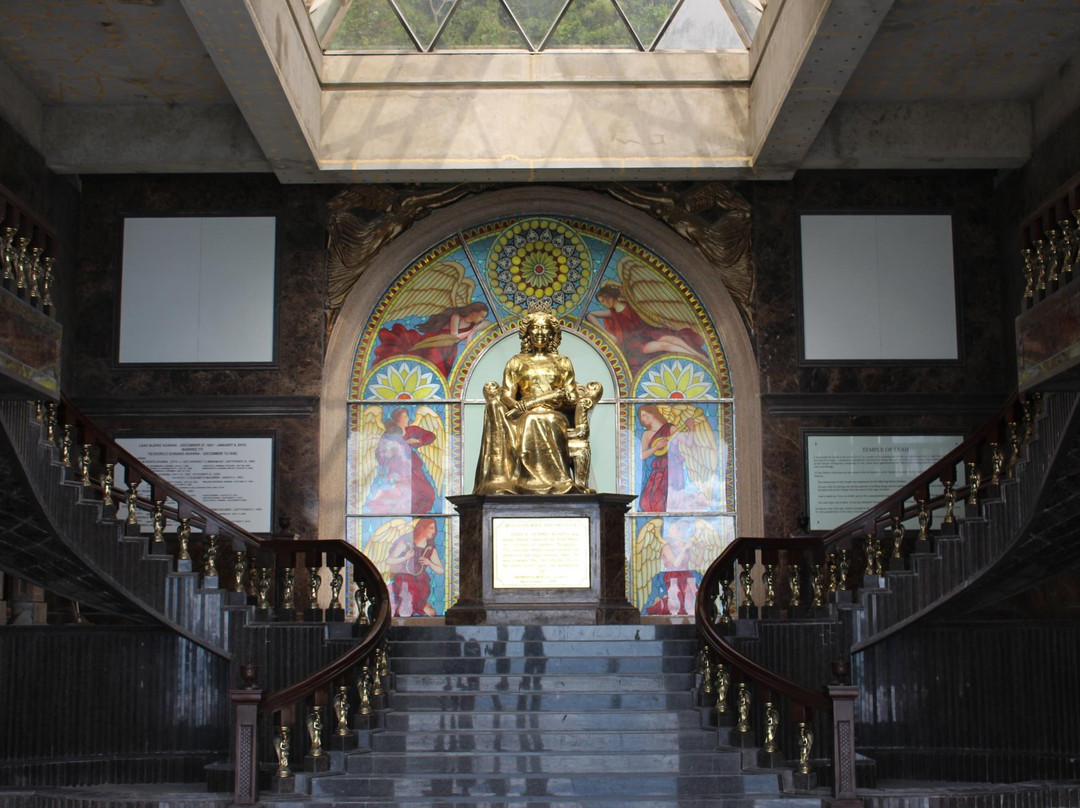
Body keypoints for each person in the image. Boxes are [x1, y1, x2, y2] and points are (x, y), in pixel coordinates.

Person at [473, 308, 587, 495]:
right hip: (523, 414)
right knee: (530, 419)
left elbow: (572, 397)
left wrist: (561, 396)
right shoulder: (516, 362)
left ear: (552, 334)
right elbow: (506, 394)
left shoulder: (563, 362)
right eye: (535, 328)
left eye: (544, 329)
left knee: (544, 419)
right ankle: (528, 481)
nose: (540, 333)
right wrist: (516, 404)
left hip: (554, 414)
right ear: (527, 333)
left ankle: (558, 481)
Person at [586, 281, 708, 371]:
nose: (603, 304)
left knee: (669, 338)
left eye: (603, 300)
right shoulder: (612, 313)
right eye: (601, 302)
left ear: (609, 296)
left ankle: (697, 354)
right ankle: (695, 359)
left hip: (648, 332)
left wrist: (609, 284)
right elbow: (590, 315)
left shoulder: (629, 301)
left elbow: (624, 287)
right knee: (665, 344)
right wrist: (607, 334)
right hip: (636, 344)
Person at [374, 302, 490, 378]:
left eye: (483, 317)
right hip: (436, 344)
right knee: (429, 364)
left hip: (449, 352)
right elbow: (454, 337)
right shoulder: (456, 317)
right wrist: (469, 333)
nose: (482, 319)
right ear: (473, 312)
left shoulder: (473, 325)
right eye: (481, 316)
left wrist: (473, 332)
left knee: (442, 373)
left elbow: (488, 323)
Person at [365, 407, 437, 514]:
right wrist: (390, 453)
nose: (408, 418)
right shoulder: (388, 434)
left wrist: (418, 440)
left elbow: (431, 436)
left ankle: (415, 517)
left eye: (407, 416)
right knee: (405, 495)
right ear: (397, 418)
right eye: (405, 416)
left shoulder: (412, 430)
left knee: (428, 493)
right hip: (398, 470)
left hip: (413, 467)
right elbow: (380, 454)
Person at [386, 518, 444, 617]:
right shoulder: (406, 542)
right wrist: (405, 557)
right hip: (404, 578)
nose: (434, 531)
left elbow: (441, 570)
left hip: (421, 580)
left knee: (419, 586)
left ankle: (420, 607)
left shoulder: (429, 547)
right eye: (431, 528)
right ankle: (422, 607)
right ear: (422, 528)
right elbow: (389, 561)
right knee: (408, 586)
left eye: (435, 529)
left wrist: (429, 563)